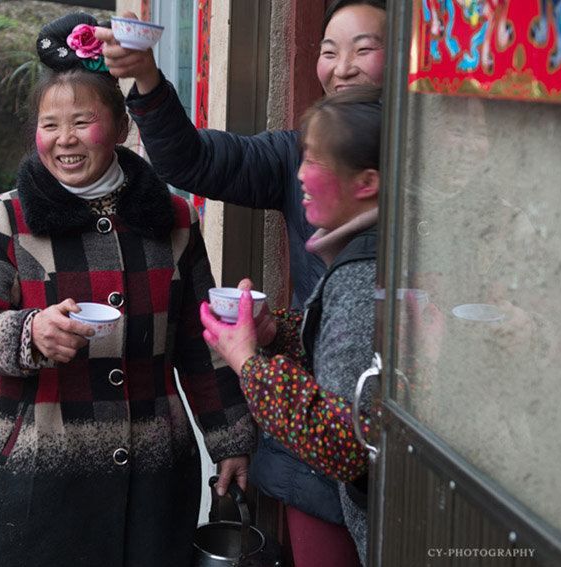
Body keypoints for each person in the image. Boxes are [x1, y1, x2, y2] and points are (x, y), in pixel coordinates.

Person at [0, 12, 256, 567]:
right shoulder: (5, 219)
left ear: (119, 128)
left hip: (154, 470)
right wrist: (29, 332)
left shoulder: (174, 219)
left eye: (82, 121)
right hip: (38, 475)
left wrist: (229, 438)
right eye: (49, 125)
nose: (64, 139)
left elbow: (199, 342)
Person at [96, 3, 386, 566]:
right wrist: (147, 78)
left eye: (363, 49)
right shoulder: (297, 152)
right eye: (328, 51)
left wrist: (251, 361)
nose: (341, 67)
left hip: (375, 462)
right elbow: (191, 159)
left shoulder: (436, 177)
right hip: (311, 459)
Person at [199, 85, 384, 566]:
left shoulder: (364, 276)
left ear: (367, 182)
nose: (298, 175)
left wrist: (247, 362)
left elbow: (345, 443)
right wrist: (274, 332)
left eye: (314, 162)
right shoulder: (373, 253)